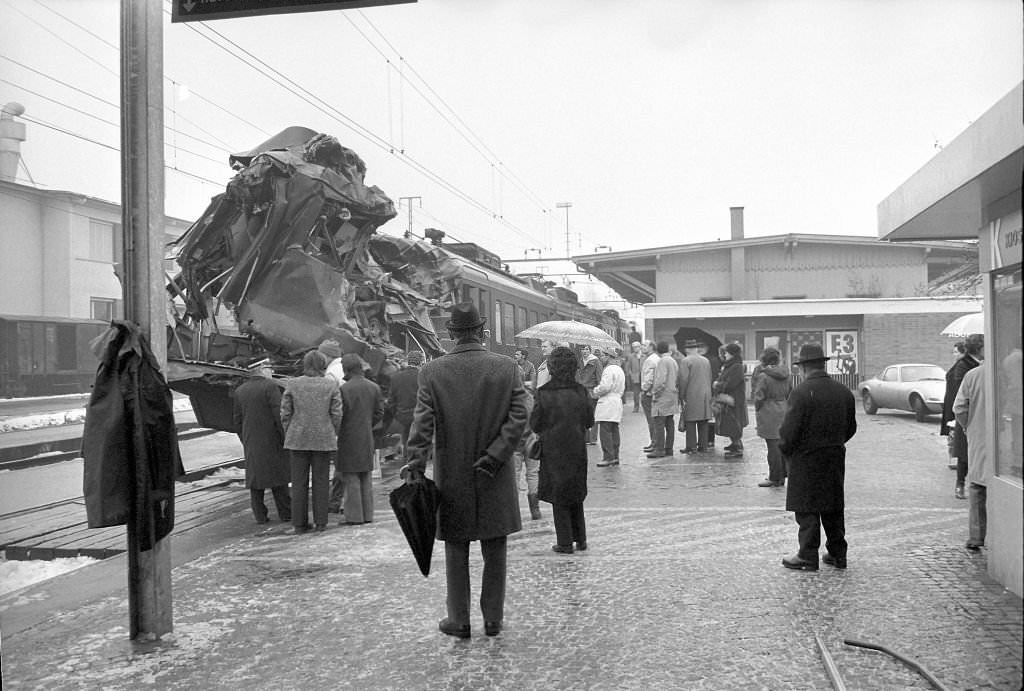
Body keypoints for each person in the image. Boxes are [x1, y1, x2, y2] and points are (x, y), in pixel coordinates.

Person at [402, 302, 529, 639]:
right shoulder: (506, 367)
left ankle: (459, 619)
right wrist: (496, 455)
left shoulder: (431, 371)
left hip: (453, 473)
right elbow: (519, 417)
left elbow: (422, 424)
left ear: (452, 334)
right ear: (481, 331)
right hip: (495, 473)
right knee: (495, 547)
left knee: (456, 547)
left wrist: (415, 463)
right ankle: (493, 619)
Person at [778, 344, 857, 571]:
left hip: (805, 458)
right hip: (833, 455)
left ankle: (807, 555)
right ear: (823, 364)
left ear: (803, 367)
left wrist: (786, 450)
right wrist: (834, 442)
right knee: (832, 506)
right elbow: (851, 427)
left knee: (807, 507)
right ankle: (837, 553)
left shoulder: (801, 392)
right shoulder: (843, 391)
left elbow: (789, 431)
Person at [531, 346, 594, 553]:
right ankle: (581, 539)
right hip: (576, 449)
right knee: (576, 492)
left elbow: (535, 424)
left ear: (551, 368)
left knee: (559, 496)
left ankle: (565, 542)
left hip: (553, 451)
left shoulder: (543, 393)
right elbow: (589, 421)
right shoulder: (580, 391)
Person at [280, 350, 343, 534]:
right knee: (321, 481)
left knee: (298, 482)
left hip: (297, 439)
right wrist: (332, 431)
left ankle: (299, 524)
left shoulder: (293, 384)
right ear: (323, 365)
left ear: (305, 364)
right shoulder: (330, 386)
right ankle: (321, 523)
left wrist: (290, 431)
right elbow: (337, 414)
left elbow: (285, 413)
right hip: (323, 439)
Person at [232, 364, 292, 525]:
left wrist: (245, 438)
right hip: (272, 438)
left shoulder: (240, 391)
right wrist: (285, 437)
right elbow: (279, 415)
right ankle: (286, 513)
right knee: (278, 478)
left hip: (251, 440)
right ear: (262, 370)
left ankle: (260, 515)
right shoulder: (270, 387)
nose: (271, 372)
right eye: (269, 369)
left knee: (256, 480)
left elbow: (237, 420)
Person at [336, 353, 384, 525]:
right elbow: (379, 412)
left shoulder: (344, 389)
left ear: (347, 369)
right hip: (367, 436)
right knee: (365, 476)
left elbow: (339, 415)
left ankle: (354, 517)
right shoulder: (374, 387)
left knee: (351, 477)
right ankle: (367, 515)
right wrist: (368, 424)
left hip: (348, 437)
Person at [941, 333, 983, 499]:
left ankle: (976, 483)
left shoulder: (980, 364)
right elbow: (962, 393)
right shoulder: (964, 366)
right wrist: (964, 422)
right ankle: (960, 484)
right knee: (965, 454)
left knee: (976, 453)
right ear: (979, 348)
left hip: (977, 414)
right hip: (968, 416)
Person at [954, 360, 990, 552]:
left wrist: (969, 426)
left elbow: (959, 407)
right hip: (1007, 435)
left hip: (979, 436)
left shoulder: (973, 375)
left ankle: (977, 537)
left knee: (977, 485)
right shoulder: (1007, 370)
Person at [752, 347, 791, 487]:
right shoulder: (786, 374)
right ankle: (782, 475)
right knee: (781, 445)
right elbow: (790, 392)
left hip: (769, 411)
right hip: (783, 408)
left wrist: (758, 408)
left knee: (772, 447)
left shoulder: (764, 376)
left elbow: (759, 396)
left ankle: (774, 477)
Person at [319, 338, 346, 514]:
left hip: (337, 425)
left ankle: (335, 502)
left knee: (340, 466)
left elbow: (327, 402)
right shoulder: (343, 367)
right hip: (349, 423)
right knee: (344, 465)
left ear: (327, 355)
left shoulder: (330, 374)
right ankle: (341, 501)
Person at [676, 339, 713, 454]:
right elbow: (710, 377)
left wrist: (681, 395)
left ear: (686, 349)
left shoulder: (686, 361)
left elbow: (683, 380)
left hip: (692, 394)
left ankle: (691, 447)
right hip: (706, 394)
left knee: (690, 421)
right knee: (703, 420)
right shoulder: (706, 360)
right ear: (697, 348)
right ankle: (703, 445)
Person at [714, 342, 748, 459]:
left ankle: (737, 448)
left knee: (734, 422)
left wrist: (718, 385)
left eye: (727, 352)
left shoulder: (736, 366)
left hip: (733, 400)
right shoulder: (730, 365)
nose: (725, 355)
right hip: (729, 398)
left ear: (732, 354)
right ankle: (734, 443)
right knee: (729, 422)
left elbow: (731, 383)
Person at [387, 350, 423, 461]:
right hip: (421, 417)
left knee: (407, 441)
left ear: (408, 361)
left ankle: (408, 463)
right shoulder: (424, 376)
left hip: (403, 417)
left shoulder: (396, 377)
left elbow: (391, 401)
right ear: (421, 362)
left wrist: (397, 414)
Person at [647, 341, 680, 458]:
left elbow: (660, 381)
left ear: (657, 350)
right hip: (672, 396)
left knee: (659, 424)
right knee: (670, 424)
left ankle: (659, 449)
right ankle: (669, 448)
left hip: (663, 397)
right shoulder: (673, 361)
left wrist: (654, 393)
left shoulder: (662, 361)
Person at [593, 348, 625, 467]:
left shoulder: (608, 370)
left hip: (607, 402)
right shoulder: (619, 369)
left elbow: (605, 387)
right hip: (617, 400)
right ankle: (615, 456)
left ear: (608, 356)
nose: (601, 358)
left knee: (605, 431)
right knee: (614, 430)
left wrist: (596, 390)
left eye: (602, 356)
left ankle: (608, 457)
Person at [577, 344, 603, 445]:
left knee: (593, 415)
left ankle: (593, 438)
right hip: (581, 391)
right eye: (582, 349)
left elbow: (599, 378)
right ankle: (586, 438)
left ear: (590, 350)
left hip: (592, 391)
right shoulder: (580, 361)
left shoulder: (596, 361)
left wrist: (598, 392)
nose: (584, 351)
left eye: (586, 349)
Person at [639, 340, 660, 453]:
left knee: (651, 420)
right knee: (654, 420)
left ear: (651, 347)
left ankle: (654, 442)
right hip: (653, 393)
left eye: (645, 345)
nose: (642, 347)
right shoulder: (656, 358)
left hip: (648, 394)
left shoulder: (650, 360)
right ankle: (654, 442)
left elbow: (649, 378)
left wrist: (644, 389)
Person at [623, 341, 643, 413]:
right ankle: (636, 407)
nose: (635, 348)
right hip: (635, 377)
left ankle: (645, 406)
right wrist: (630, 375)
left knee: (645, 393)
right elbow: (628, 367)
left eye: (637, 346)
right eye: (634, 347)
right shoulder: (631, 356)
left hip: (644, 377)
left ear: (640, 347)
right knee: (636, 393)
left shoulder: (644, 355)